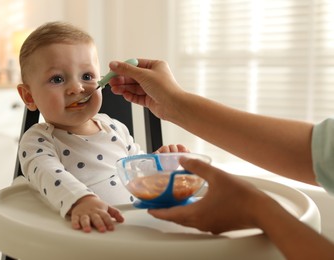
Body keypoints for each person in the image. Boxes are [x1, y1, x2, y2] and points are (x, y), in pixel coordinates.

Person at [107, 59, 334, 259]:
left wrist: (257, 209)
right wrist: (175, 104)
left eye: (87, 76)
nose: (77, 88)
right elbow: (320, 153)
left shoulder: (115, 131)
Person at [16, 23, 187, 233]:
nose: (77, 88)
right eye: (57, 79)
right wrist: (81, 201)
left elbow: (136, 170)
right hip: (87, 237)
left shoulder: (113, 127)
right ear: (29, 96)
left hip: (136, 228)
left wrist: (159, 164)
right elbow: (49, 175)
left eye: (87, 76)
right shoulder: (38, 140)